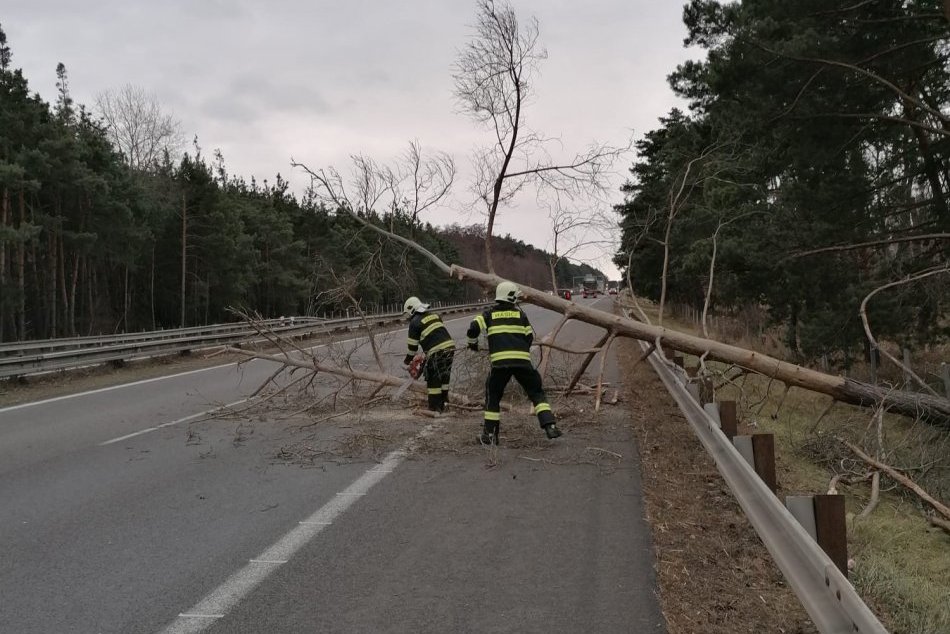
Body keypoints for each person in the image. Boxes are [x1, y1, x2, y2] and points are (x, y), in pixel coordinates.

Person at [466, 281, 562, 445]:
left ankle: (489, 435)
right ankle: (550, 425)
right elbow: (529, 337)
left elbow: (473, 327)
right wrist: (520, 351)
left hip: (499, 365)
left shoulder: (488, 314)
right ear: (511, 297)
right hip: (522, 362)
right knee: (536, 392)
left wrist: (472, 344)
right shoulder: (520, 315)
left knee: (493, 396)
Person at [403, 296, 455, 412]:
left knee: (433, 380)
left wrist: (407, 361)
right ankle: (444, 404)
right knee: (444, 377)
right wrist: (423, 362)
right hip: (450, 348)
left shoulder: (415, 322)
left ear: (411, 310)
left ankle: (434, 408)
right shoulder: (435, 315)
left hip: (437, 351)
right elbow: (435, 337)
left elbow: (412, 348)